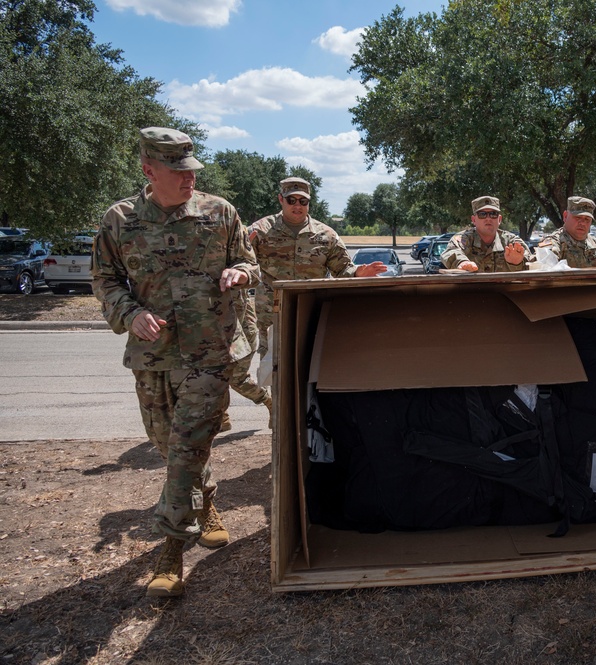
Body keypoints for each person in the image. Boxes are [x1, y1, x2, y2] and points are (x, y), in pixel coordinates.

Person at [91, 127, 260, 597]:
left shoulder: (219, 211)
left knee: (186, 448)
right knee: (171, 448)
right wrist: (131, 313)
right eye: (178, 171)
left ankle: (170, 548)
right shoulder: (119, 219)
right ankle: (205, 503)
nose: (189, 179)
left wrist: (240, 271)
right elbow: (105, 280)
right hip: (154, 357)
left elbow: (252, 263)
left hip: (210, 353)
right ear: (149, 170)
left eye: (192, 171)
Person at [249, 177, 386, 359]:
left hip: (311, 314)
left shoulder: (326, 235)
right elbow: (241, 261)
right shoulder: (260, 230)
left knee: (311, 365)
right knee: (275, 370)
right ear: (281, 199)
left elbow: (343, 269)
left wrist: (358, 272)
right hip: (272, 316)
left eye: (303, 201)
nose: (297, 206)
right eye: (291, 200)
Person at [218, 287, 272, 432]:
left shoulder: (231, 279)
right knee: (213, 375)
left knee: (236, 379)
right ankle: (221, 418)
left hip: (241, 334)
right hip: (217, 334)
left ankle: (269, 402)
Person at [441, 196, 531, 272]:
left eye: (493, 214)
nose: (488, 218)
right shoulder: (463, 238)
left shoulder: (511, 241)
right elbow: (451, 252)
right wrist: (462, 262)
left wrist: (516, 263)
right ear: (473, 220)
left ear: (499, 219)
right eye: (482, 214)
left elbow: (531, 260)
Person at [535, 196, 596, 267]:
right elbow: (542, 270)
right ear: (565, 216)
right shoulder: (553, 243)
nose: (583, 223)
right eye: (578, 217)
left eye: (587, 219)